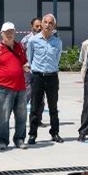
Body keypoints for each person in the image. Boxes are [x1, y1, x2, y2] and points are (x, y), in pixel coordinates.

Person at [0, 22, 30, 150]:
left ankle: (19, 139)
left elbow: (24, 62)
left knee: (22, 115)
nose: (9, 34)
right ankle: (2, 140)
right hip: (3, 88)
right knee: (3, 115)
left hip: (20, 87)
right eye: (6, 32)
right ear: (1, 34)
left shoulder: (19, 47)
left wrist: (25, 68)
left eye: (11, 32)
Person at [26, 13, 63, 144]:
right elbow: (30, 58)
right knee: (35, 107)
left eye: (50, 23)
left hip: (52, 76)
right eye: (45, 22)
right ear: (41, 24)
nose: (47, 25)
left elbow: (57, 59)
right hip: (37, 76)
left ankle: (55, 132)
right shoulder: (33, 41)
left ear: (54, 26)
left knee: (53, 106)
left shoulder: (57, 42)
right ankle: (32, 134)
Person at [20, 17, 45, 127]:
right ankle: (21, 119)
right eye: (37, 26)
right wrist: (23, 66)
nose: (39, 28)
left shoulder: (46, 39)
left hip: (41, 72)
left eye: (41, 26)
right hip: (28, 72)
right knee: (26, 95)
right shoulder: (26, 40)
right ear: (32, 27)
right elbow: (20, 55)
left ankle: (37, 120)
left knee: (40, 97)